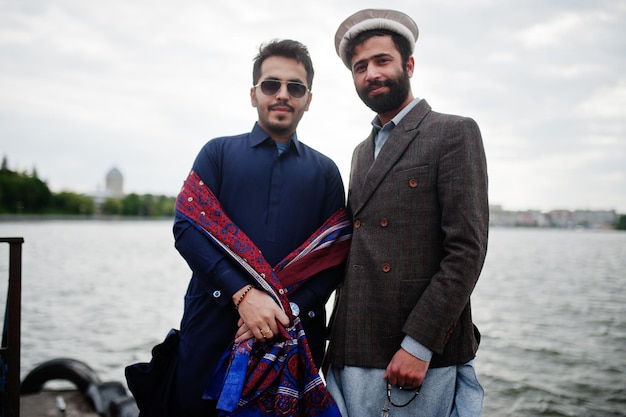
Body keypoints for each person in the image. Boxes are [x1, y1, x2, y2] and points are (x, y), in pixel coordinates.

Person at [169, 39, 348, 416]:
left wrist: (284, 311)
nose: (282, 95)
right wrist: (243, 296)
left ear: (308, 99)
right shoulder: (216, 154)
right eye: (271, 85)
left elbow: (333, 259)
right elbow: (186, 230)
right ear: (254, 94)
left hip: (294, 336)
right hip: (213, 329)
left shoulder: (326, 172)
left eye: (295, 87)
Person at [325, 9, 489, 417]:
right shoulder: (360, 152)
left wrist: (419, 344)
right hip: (351, 346)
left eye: (382, 61)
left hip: (417, 356)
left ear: (409, 65)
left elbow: (466, 250)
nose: (371, 74)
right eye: (360, 67)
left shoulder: (453, 132)